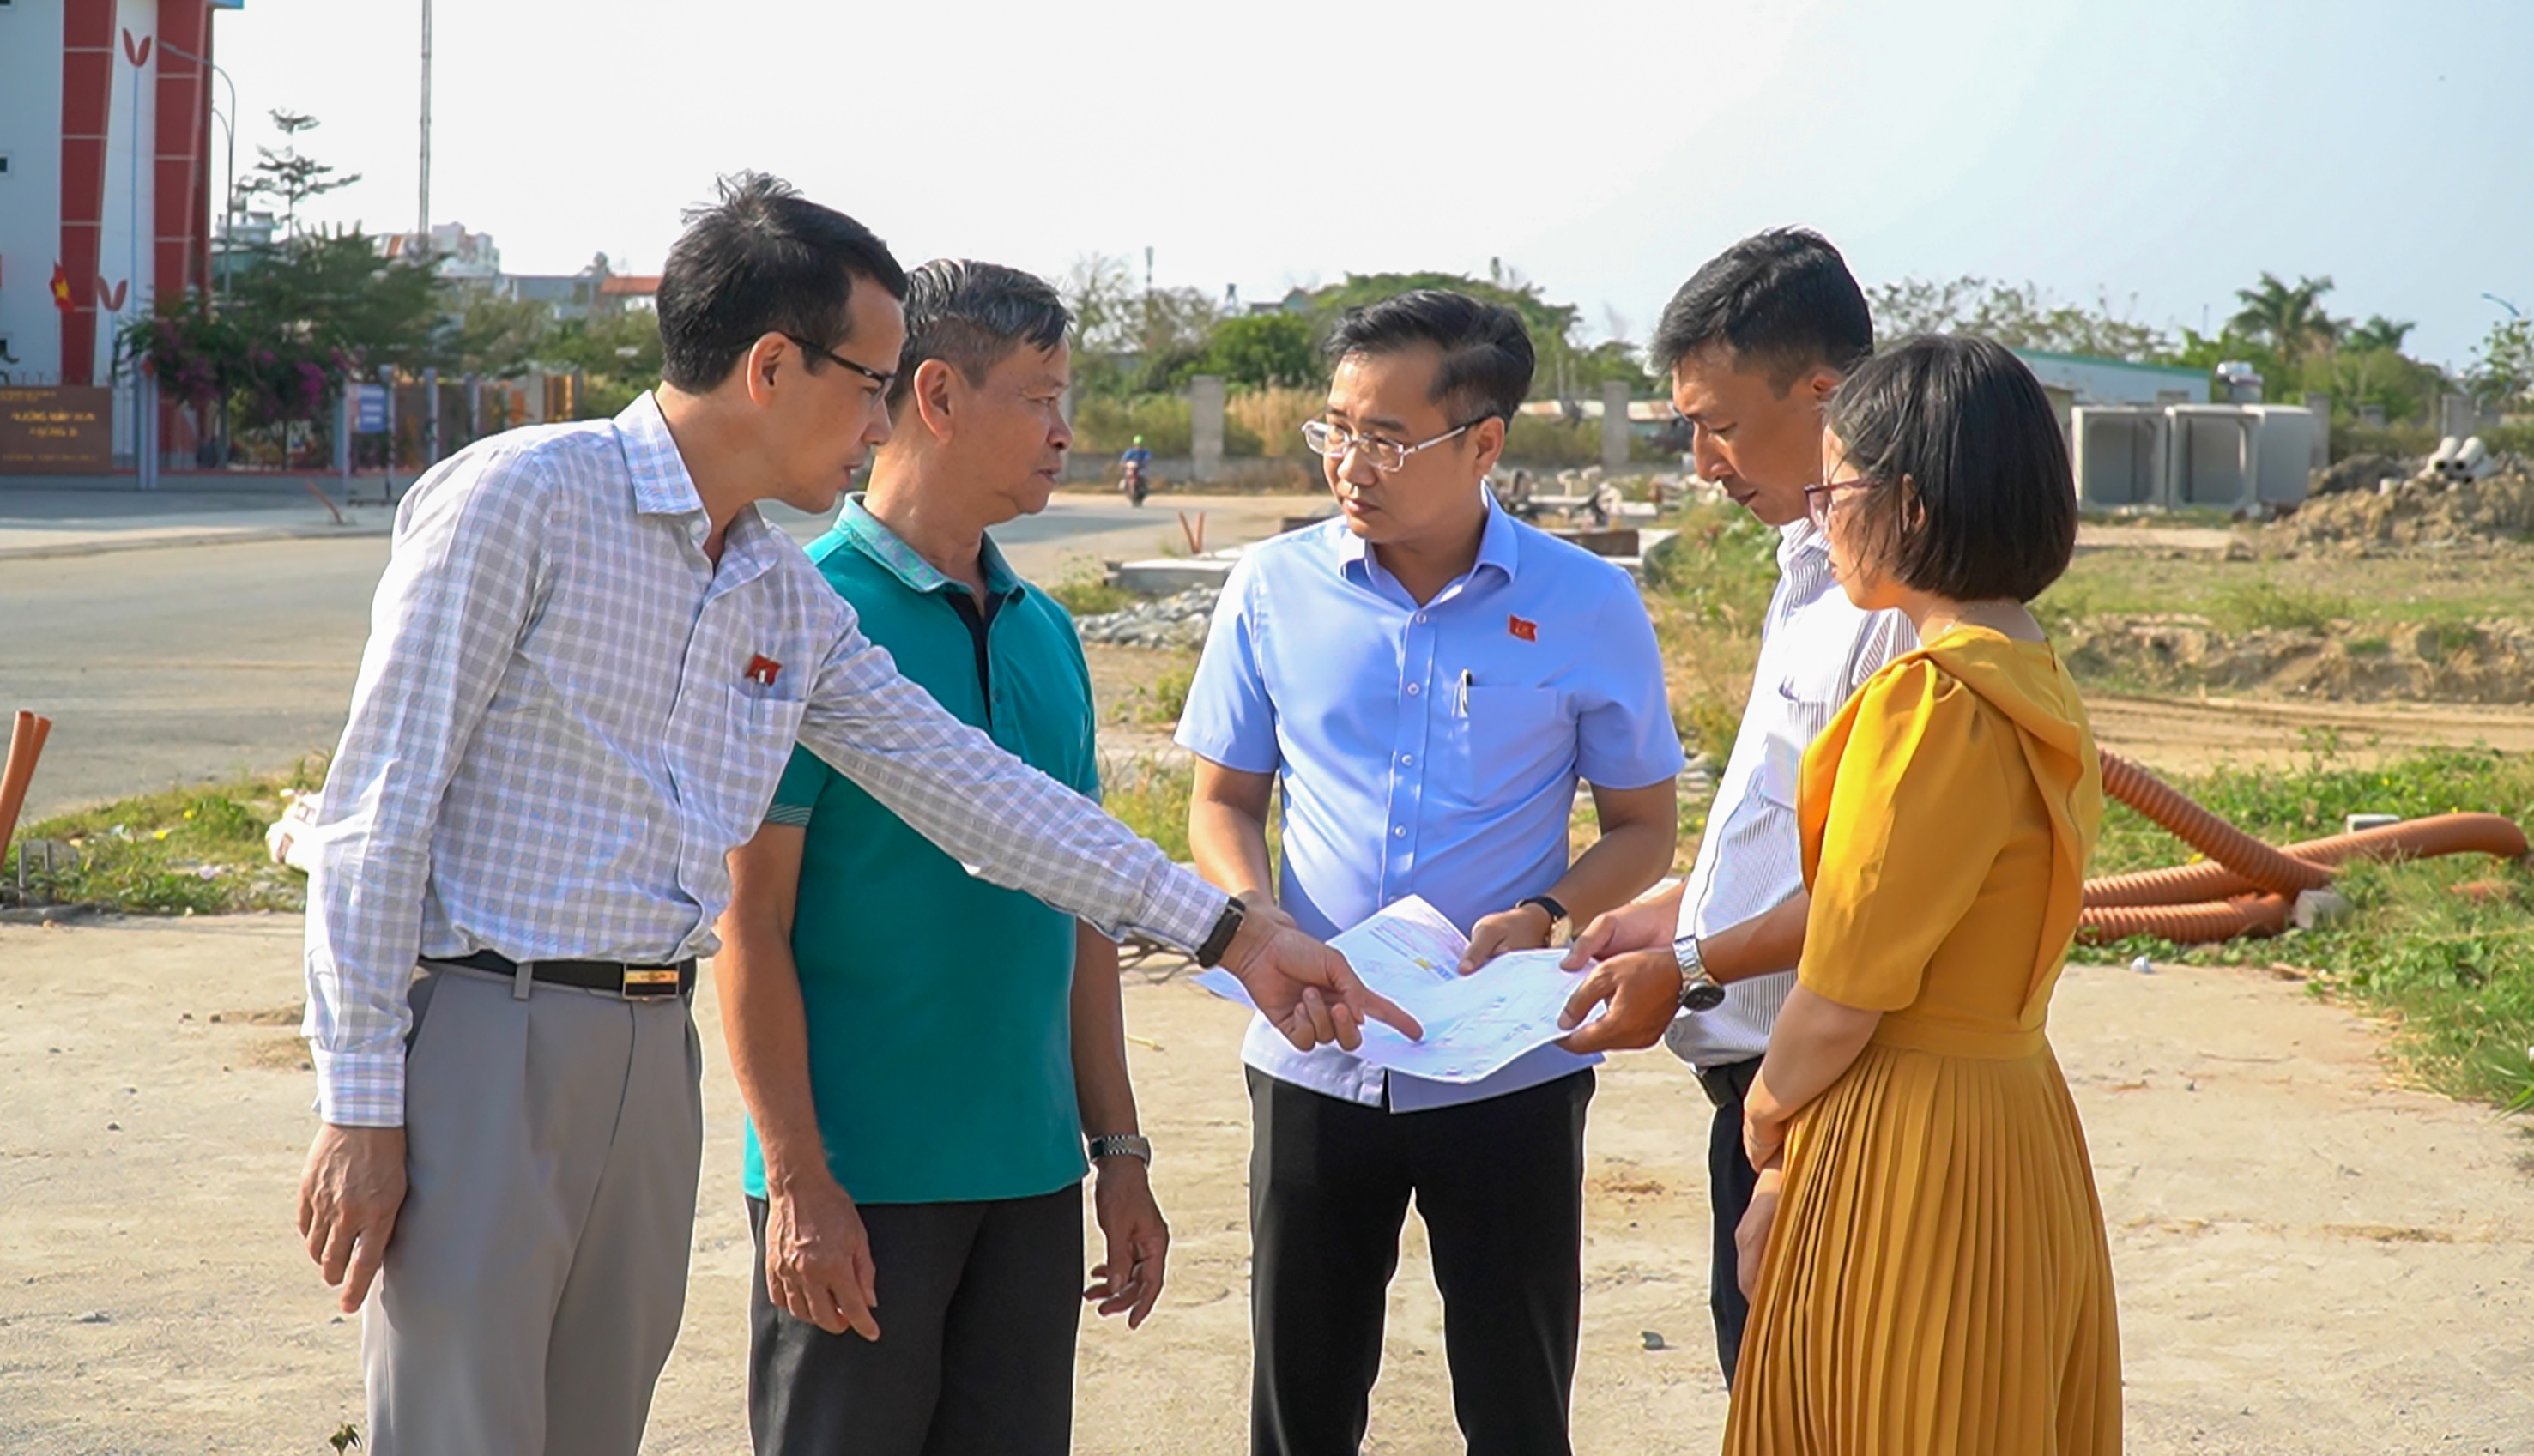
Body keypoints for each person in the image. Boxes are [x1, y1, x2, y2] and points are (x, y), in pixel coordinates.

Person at [292, 175, 1412, 1456]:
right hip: (492, 1026)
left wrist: (1233, 933)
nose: (883, 422)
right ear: (771, 366)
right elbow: (376, 809)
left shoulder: (777, 589)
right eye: (871, 384)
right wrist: (360, 1102)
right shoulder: (524, 497)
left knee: (594, 1428)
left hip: (653, 1048)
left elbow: (978, 792)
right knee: (462, 1431)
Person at [1176, 290, 1685, 1456]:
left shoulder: (1585, 603)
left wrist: (1547, 910)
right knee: (1300, 1401)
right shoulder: (1272, 588)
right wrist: (1256, 918)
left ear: (1484, 442)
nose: (1351, 465)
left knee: (1516, 1402)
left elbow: (1643, 829)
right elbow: (1223, 799)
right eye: (1337, 430)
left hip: (1505, 1065)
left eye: (1388, 438)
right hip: (1315, 1046)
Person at [715, 259, 1164, 1456]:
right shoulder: (804, 615)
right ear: (938, 395)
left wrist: (1117, 1151)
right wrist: (798, 1178)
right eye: (1040, 397)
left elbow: (1086, 905)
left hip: (1029, 1173)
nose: (1065, 432)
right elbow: (748, 922)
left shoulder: (1046, 631)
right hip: (859, 1185)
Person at [1725, 333, 2119, 1452]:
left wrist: (1765, 1116)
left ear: (1909, 502)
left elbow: (1843, 989)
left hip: (1908, 1138)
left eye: (1835, 490)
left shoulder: (1928, 702)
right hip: (2014, 1116)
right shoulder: (2034, 676)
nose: (1819, 518)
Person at [1543, 228, 1914, 1386]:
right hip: (1757, 1090)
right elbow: (1789, 818)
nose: (1704, 461)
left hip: (1827, 1094)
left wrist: (1690, 963)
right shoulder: (1809, 568)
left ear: (1825, 394)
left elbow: (1874, 890)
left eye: (1721, 425)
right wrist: (1679, 904)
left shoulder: (1894, 605)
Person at [1120, 433, 1152, 504]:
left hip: (1141, 468)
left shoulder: (1145, 452)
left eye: (1140, 444)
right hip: (1131, 468)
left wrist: (1144, 463)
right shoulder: (1130, 452)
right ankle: (1125, 487)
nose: (1139, 446)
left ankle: (1144, 488)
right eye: (1137, 444)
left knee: (1143, 477)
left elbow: (1148, 459)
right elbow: (1124, 460)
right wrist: (1124, 464)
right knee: (1127, 476)